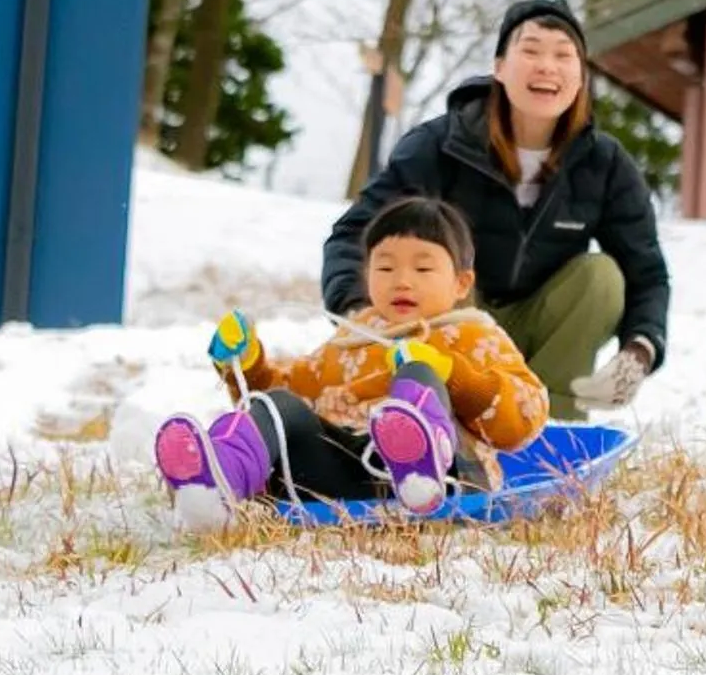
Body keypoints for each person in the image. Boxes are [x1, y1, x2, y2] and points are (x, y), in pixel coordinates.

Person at [326, 0, 668, 422]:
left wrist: (639, 351)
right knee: (437, 267)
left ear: (581, 76)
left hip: (542, 331)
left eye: (563, 55)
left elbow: (646, 272)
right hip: (452, 327)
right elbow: (356, 233)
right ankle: (432, 416)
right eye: (531, 50)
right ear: (500, 67)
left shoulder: (606, 164)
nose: (547, 66)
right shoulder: (439, 145)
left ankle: (548, 424)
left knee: (602, 277)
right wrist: (358, 311)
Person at [158, 197, 548, 528]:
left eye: (423, 268)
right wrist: (246, 364)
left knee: (419, 372)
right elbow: (290, 396)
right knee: (277, 406)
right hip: (349, 479)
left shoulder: (473, 336)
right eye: (386, 267)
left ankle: (419, 461)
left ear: (461, 283)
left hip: (449, 483)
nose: (402, 281)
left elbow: (524, 416)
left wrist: (455, 375)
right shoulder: (353, 341)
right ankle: (216, 484)